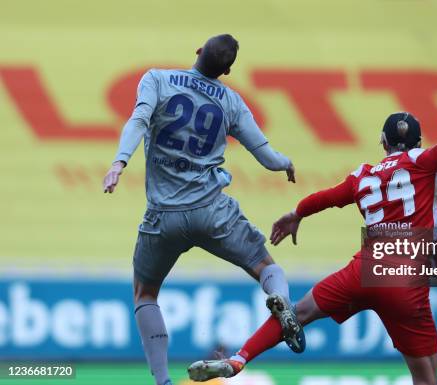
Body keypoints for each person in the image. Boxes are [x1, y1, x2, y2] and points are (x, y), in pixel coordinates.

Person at [188, 86, 437, 385]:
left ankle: (239, 359)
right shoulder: (426, 161)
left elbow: (326, 198)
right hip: (406, 278)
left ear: (383, 143)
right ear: (415, 143)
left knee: (299, 311)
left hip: (364, 269)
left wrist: (295, 214)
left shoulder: (363, 174)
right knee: (426, 376)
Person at [102, 34, 305, 385]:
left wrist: (119, 163)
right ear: (226, 70)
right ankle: (280, 300)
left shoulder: (157, 80)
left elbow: (137, 121)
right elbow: (266, 155)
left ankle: (163, 380)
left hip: (162, 216)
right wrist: (286, 164)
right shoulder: (231, 101)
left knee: (145, 294)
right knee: (265, 268)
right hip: (213, 211)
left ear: (197, 51)